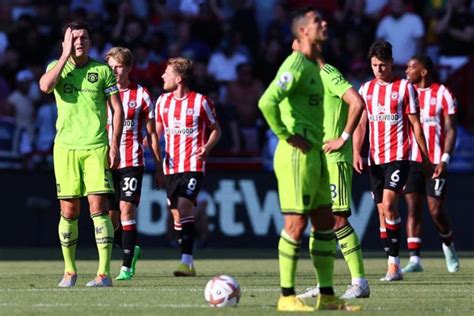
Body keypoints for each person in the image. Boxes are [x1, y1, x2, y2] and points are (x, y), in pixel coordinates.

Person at [258, 7, 361, 312]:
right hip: (296, 155)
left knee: (325, 222)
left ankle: (327, 295)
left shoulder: (316, 68)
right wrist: (286, 136)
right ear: (303, 31)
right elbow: (266, 101)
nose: (324, 23)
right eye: (318, 21)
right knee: (296, 223)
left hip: (315, 153)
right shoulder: (297, 65)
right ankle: (286, 296)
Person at [39, 21, 124, 287]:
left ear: (90, 41)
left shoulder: (102, 70)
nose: (79, 42)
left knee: (98, 208)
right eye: (74, 38)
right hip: (65, 148)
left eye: (84, 37)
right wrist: (64, 55)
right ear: (66, 42)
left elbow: (117, 109)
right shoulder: (56, 67)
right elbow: (44, 87)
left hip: (95, 146)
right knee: (69, 210)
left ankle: (103, 274)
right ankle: (70, 271)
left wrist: (114, 144)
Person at [290, 41, 369, 299]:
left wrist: (343, 139)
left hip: (336, 160)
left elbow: (357, 102)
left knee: (338, 219)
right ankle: (325, 284)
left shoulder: (328, 74)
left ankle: (359, 283)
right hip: (320, 161)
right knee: (320, 222)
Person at [353, 41, 435, 282]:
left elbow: (416, 125)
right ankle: (393, 263)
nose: (378, 69)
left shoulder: (404, 88)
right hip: (375, 159)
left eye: (383, 65)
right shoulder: (366, 89)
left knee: (389, 205)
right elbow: (361, 123)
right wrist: (357, 152)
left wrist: (426, 157)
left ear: (391, 63)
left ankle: (393, 265)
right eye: (374, 65)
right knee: (381, 213)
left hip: (399, 156)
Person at [155, 57, 221, 277]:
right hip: (170, 166)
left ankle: (186, 261)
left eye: (167, 72)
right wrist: (143, 142)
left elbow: (216, 130)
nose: (163, 76)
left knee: (184, 207)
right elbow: (156, 132)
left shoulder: (201, 102)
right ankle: (189, 262)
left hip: (193, 163)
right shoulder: (162, 102)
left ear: (179, 78)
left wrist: (207, 147)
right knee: (176, 216)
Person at [105, 47, 165, 281]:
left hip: (131, 160)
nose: (114, 71)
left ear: (129, 68)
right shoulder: (101, 93)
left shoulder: (141, 94)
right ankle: (131, 248)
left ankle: (126, 267)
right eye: (110, 67)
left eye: (119, 66)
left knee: (126, 209)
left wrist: (159, 166)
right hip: (106, 161)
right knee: (109, 217)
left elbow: (151, 135)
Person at [402, 55, 460, 273]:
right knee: (412, 208)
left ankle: (448, 245)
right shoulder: (407, 92)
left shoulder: (443, 93)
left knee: (435, 210)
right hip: (412, 160)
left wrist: (445, 158)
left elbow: (451, 128)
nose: (407, 70)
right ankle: (415, 259)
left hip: (436, 161)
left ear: (423, 71)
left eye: (411, 67)